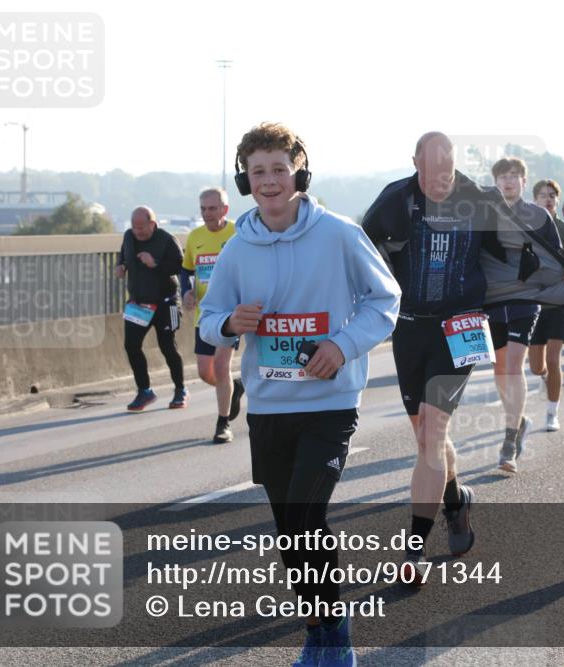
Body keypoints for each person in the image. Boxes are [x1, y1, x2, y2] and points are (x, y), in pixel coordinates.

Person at [199, 122, 401, 666]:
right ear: (245, 178)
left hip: (329, 405)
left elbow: (384, 300)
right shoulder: (238, 247)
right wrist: (229, 323)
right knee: (291, 532)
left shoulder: (338, 234)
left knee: (306, 514)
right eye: (257, 171)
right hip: (268, 406)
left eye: (279, 169)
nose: (269, 181)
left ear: (299, 172)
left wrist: (343, 344)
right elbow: (210, 317)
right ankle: (319, 630)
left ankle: (336, 643)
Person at [361, 132, 564, 583]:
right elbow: (361, 251)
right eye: (430, 172)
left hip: (460, 326)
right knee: (425, 436)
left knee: (432, 434)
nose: (440, 181)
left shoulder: (478, 199)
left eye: (447, 171)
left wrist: (559, 268)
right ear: (414, 163)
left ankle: (413, 554)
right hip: (411, 328)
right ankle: (456, 499)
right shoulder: (396, 200)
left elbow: (524, 243)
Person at [487, 158, 564, 471]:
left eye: (514, 176)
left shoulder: (538, 215)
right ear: (495, 181)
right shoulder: (485, 212)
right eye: (503, 177)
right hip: (492, 299)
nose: (508, 182)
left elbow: (556, 255)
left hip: (526, 298)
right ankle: (520, 419)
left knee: (513, 365)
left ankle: (509, 439)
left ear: (524, 181)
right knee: (500, 369)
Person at [181, 187, 245, 443]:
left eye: (213, 208)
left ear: (225, 210)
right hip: (204, 312)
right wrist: (186, 291)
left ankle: (223, 424)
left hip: (231, 312)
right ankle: (234, 388)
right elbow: (186, 269)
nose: (207, 214)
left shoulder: (237, 234)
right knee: (205, 373)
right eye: (203, 209)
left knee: (221, 365)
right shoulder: (194, 236)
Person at [116, 206, 187, 411]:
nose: (138, 232)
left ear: (152, 224)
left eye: (142, 227)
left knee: (167, 346)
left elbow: (180, 266)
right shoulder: (129, 237)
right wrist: (121, 266)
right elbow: (123, 256)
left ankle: (180, 389)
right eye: (134, 227)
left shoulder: (166, 239)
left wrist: (154, 263)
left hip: (166, 302)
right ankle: (144, 391)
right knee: (131, 345)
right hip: (139, 303)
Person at [531, 183, 564, 431]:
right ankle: (545, 379)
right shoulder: (525, 228)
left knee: (554, 360)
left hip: (558, 303)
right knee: (536, 366)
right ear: (534, 200)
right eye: (543, 195)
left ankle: (552, 412)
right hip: (531, 305)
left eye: (552, 196)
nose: (548, 199)